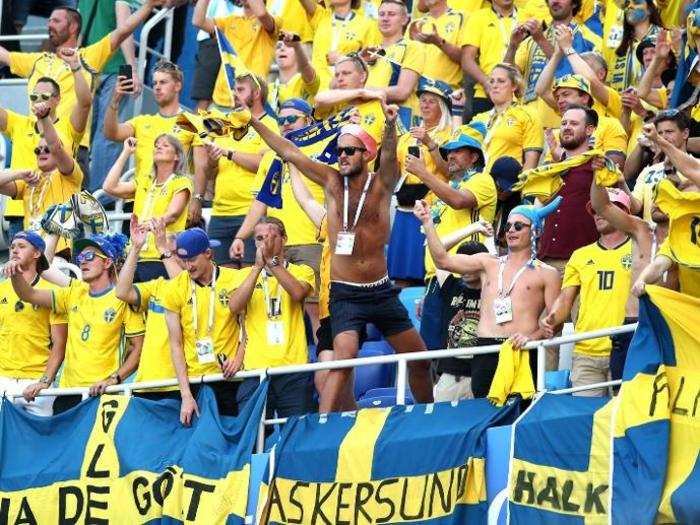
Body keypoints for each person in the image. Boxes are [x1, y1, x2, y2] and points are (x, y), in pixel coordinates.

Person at [246, 102, 434, 412]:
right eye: (340, 150)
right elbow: (290, 151)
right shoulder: (332, 182)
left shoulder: (381, 185)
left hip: (381, 290)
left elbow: (389, 158)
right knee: (342, 360)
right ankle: (325, 427)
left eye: (349, 150)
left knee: (420, 360)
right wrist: (253, 121)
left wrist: (389, 126)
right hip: (345, 293)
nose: (341, 155)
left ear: (366, 155)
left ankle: (428, 415)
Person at [415, 197, 562, 398]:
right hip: (485, 348)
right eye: (508, 226)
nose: (510, 230)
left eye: (518, 226)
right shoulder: (488, 263)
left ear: (535, 231)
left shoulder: (547, 273)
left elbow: (555, 325)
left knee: (518, 413)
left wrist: (531, 337)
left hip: (522, 348)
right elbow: (442, 260)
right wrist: (427, 223)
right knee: (483, 413)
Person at [0, 1, 166, 175]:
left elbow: (122, 31)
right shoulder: (37, 60)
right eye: (49, 21)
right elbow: (4, 55)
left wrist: (148, 6)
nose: (49, 25)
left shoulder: (87, 57)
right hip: (37, 149)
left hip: (72, 148)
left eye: (56, 21)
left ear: (73, 27)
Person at [9, 234, 145, 414]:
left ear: (107, 263)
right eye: (80, 257)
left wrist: (114, 379)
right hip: (68, 392)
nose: (82, 262)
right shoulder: (73, 292)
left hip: (104, 393)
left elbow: (138, 349)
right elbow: (29, 295)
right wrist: (15, 274)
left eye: (90, 256)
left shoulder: (123, 299)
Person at [230, 99, 324, 333]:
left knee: (315, 311)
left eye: (292, 119)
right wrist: (241, 236)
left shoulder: (322, 148)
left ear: (309, 119)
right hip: (276, 244)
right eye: (281, 121)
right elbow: (261, 201)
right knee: (274, 308)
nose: (286, 125)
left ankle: (323, 367)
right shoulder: (271, 156)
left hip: (312, 241)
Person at [406, 124, 496, 351]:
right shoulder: (449, 186)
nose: (451, 156)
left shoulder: (482, 181)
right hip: (437, 277)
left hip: (465, 278)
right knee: (431, 351)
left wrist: (423, 173)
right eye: (449, 152)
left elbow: (458, 200)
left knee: (457, 351)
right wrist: (430, 285)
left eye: (458, 151)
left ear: (474, 156)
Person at [543, 189, 633, 395]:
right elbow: (565, 299)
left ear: (624, 212)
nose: (598, 213)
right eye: (595, 210)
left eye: (605, 208)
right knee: (585, 423)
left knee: (620, 422)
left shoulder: (640, 250)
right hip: (585, 353)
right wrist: (552, 318)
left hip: (625, 349)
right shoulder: (580, 256)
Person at [230, 218, 317, 418]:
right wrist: (257, 268)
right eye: (259, 238)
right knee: (253, 438)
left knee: (296, 436)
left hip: (293, 368)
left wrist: (272, 262)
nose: (264, 243)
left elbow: (297, 293)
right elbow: (234, 306)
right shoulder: (243, 274)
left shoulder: (302, 271)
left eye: (270, 237)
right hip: (256, 370)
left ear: (284, 239)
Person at [160, 228, 245, 426]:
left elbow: (247, 326)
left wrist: (238, 359)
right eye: (183, 261)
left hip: (231, 378)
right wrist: (186, 395)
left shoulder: (235, 279)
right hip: (196, 380)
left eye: (192, 259)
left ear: (208, 254)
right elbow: (175, 344)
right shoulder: (174, 289)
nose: (188, 266)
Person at [0, 54, 91, 239]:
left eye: (44, 96)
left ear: (57, 99)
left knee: (57, 263)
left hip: (59, 210)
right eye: (34, 96)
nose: (38, 100)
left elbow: (85, 103)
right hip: (22, 209)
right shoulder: (19, 124)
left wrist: (76, 68)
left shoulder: (68, 126)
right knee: (22, 266)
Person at [202, 73, 280, 268]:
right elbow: (212, 172)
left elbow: (263, 163)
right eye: (233, 90)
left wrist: (228, 153)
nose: (234, 95)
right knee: (221, 282)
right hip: (220, 213)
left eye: (240, 90)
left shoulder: (270, 125)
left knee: (251, 278)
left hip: (251, 212)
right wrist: (212, 162)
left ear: (257, 93)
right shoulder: (226, 126)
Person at [103, 60, 198, 214]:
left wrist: (197, 198)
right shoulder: (142, 122)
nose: (157, 87)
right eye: (154, 83)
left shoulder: (191, 121)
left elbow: (202, 165)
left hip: (173, 202)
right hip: (140, 202)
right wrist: (115, 99)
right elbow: (111, 133)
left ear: (177, 86)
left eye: (163, 82)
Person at [389, 79, 453, 286]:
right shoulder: (407, 136)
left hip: (430, 206)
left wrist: (429, 143)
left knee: (425, 269)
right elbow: (395, 171)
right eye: (423, 101)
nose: (424, 105)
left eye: (431, 101)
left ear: (443, 106)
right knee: (399, 272)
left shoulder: (450, 135)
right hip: (404, 206)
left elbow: (449, 172)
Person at [102, 135, 192, 282]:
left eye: (165, 145)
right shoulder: (144, 181)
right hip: (135, 257)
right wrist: (126, 153)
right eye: (157, 144)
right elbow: (109, 187)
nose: (159, 147)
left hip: (161, 258)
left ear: (177, 156)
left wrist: (148, 226)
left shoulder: (181, 181)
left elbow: (173, 214)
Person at [0, 101, 83, 254]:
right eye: (38, 150)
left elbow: (56, 147)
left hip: (58, 255)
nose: (42, 152)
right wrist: (18, 173)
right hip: (31, 256)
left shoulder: (70, 175)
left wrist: (44, 118)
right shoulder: (29, 180)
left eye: (47, 149)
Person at [115, 217, 184, 401]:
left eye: (177, 253)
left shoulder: (194, 287)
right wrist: (136, 249)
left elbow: (183, 288)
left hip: (180, 384)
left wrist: (162, 248)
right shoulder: (157, 286)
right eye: (171, 253)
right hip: (146, 383)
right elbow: (121, 291)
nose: (172, 257)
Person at [504, 0, 601, 129]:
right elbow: (508, 75)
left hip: (561, 125)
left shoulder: (590, 40)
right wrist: (512, 46)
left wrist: (540, 39)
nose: (555, 1)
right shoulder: (532, 40)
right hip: (527, 125)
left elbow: (571, 74)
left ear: (574, 3)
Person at [0, 231, 67, 416]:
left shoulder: (52, 292)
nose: (14, 251)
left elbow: (59, 344)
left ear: (37, 253)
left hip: (36, 380)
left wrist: (45, 381)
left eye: (22, 246)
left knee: (40, 440)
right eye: (12, 247)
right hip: (3, 378)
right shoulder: (1, 289)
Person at [79, 0, 141, 194]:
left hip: (89, 66)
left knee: (87, 135)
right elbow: (124, 29)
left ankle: (87, 190)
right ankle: (101, 195)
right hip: (117, 66)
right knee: (107, 135)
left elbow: (79, 32)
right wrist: (132, 68)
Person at [538, 105, 601, 274]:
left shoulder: (599, 165)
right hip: (545, 260)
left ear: (589, 130)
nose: (566, 127)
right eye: (564, 123)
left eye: (573, 123)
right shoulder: (553, 168)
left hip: (581, 262)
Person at [193, 0, 280, 110]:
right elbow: (198, 21)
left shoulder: (274, 20)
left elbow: (261, 14)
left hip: (250, 101)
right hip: (221, 100)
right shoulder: (229, 21)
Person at [433, 235, 490, 403]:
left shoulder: (495, 290)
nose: (462, 269)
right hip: (450, 378)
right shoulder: (450, 285)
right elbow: (438, 249)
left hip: (483, 377)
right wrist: (474, 228)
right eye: (459, 263)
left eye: (468, 263)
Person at [470, 62, 543, 173]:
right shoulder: (478, 119)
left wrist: (516, 189)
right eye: (491, 81)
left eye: (501, 81)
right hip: (475, 184)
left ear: (514, 86)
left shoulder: (528, 114)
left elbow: (531, 163)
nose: (494, 85)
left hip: (505, 185)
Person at [364, 0, 424, 129]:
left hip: (399, 118)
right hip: (368, 117)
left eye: (391, 14)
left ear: (404, 19)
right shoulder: (369, 52)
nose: (385, 18)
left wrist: (361, 92)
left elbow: (402, 91)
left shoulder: (412, 47)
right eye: (382, 14)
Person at [462, 0, 521, 116]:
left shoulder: (527, 16)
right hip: (485, 94)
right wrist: (486, 82)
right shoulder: (478, 17)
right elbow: (467, 60)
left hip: (519, 93)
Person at [299, 0, 379, 84]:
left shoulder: (367, 24)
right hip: (317, 87)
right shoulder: (320, 16)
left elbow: (371, 61)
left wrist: (342, 59)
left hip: (345, 89)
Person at [313, 54, 387, 146]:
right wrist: (361, 93)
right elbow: (319, 100)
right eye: (337, 75)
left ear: (363, 77)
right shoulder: (334, 104)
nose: (340, 78)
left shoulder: (381, 108)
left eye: (346, 73)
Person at [631, 111, 690, 220]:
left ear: (685, 134)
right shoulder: (648, 171)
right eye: (660, 133)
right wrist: (620, 183)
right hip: (652, 236)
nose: (664, 137)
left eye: (669, 132)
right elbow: (635, 207)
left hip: (683, 235)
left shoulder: (696, 167)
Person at [409, 0, 468, 90]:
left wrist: (439, 42)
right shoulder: (416, 25)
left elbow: (466, 59)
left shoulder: (462, 17)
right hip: (416, 93)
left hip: (447, 92)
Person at [607, 0, 663, 92]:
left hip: (656, 103)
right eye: (627, 4)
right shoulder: (620, 48)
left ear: (649, 9)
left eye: (636, 3)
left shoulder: (666, 38)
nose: (630, 6)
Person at [268, 32, 320, 112]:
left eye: (288, 46)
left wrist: (297, 47)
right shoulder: (269, 89)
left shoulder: (303, 82)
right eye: (278, 47)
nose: (282, 49)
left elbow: (306, 69)